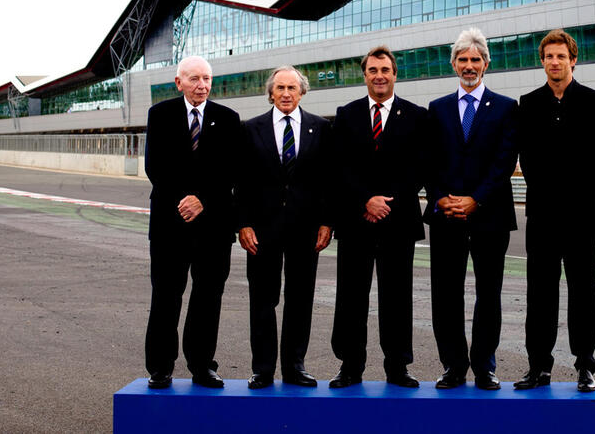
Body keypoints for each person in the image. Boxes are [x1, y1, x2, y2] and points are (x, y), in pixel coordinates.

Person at [513, 29, 595, 394]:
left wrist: (591, 200)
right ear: (542, 61)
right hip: (542, 214)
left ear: (573, 60)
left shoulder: (594, 100)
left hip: (582, 214)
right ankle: (539, 366)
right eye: (548, 56)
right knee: (540, 292)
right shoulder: (529, 103)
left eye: (561, 56)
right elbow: (527, 157)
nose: (554, 62)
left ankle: (585, 365)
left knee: (583, 290)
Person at [327, 46, 428, 389]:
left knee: (397, 297)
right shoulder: (347, 114)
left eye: (385, 69)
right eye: (373, 70)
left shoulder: (416, 115)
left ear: (395, 74)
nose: (379, 75)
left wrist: (387, 202)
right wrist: (365, 200)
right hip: (357, 221)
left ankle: (397, 366)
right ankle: (350, 365)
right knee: (352, 296)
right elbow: (339, 167)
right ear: (365, 74)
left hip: (398, 222)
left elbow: (419, 168)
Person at [424, 28, 517, 391]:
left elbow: (504, 160)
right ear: (453, 65)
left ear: (486, 64)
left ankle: (484, 366)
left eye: (475, 59)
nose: (469, 65)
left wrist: (476, 199)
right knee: (446, 294)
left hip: (489, 215)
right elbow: (428, 161)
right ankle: (453, 366)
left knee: (488, 294)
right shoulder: (438, 109)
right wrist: (441, 197)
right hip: (446, 215)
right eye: (462, 60)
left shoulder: (507, 108)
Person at [143, 56, 241, 390]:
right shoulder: (160, 115)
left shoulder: (229, 119)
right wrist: (183, 199)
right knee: (166, 296)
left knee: (208, 297)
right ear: (179, 82)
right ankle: (160, 367)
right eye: (195, 79)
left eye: (207, 79)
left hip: (213, 225)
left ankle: (202, 365)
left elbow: (231, 171)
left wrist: (202, 199)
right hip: (170, 224)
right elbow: (155, 167)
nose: (202, 85)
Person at [234, 66, 334, 389]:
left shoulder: (320, 128)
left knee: (300, 299)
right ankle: (262, 369)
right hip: (262, 231)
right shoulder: (251, 129)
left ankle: (294, 366)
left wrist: (327, 221)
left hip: (306, 230)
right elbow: (242, 182)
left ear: (302, 92)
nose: (286, 93)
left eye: (292, 87)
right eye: (280, 88)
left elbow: (327, 182)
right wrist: (243, 224)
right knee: (262, 300)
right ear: (271, 93)